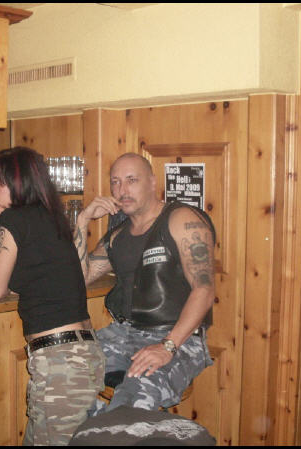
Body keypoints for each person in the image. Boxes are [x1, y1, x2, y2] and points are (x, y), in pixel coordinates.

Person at [0, 147, 105, 446]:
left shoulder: (13, 220)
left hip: (61, 362)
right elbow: (39, 278)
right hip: (79, 354)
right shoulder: (50, 217)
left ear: (18, 185)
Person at [74, 153, 216, 413]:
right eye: (115, 182)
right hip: (124, 332)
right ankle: (99, 428)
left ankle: (119, 427)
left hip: (177, 337)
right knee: (64, 371)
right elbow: (78, 279)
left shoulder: (182, 220)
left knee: (134, 399)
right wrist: (82, 220)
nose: (122, 190)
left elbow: (204, 290)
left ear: (152, 182)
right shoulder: (117, 236)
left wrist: (167, 346)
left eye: (132, 180)